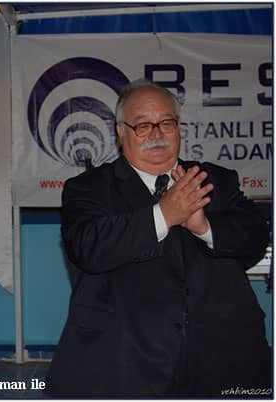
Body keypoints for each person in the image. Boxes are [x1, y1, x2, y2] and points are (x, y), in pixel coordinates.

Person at [45, 78, 271, 398]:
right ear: (121, 132)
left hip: (223, 366)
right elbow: (89, 248)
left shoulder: (213, 180)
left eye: (166, 122)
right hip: (124, 368)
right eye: (142, 125)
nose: (157, 134)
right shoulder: (89, 188)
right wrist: (164, 215)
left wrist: (204, 227)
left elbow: (256, 236)